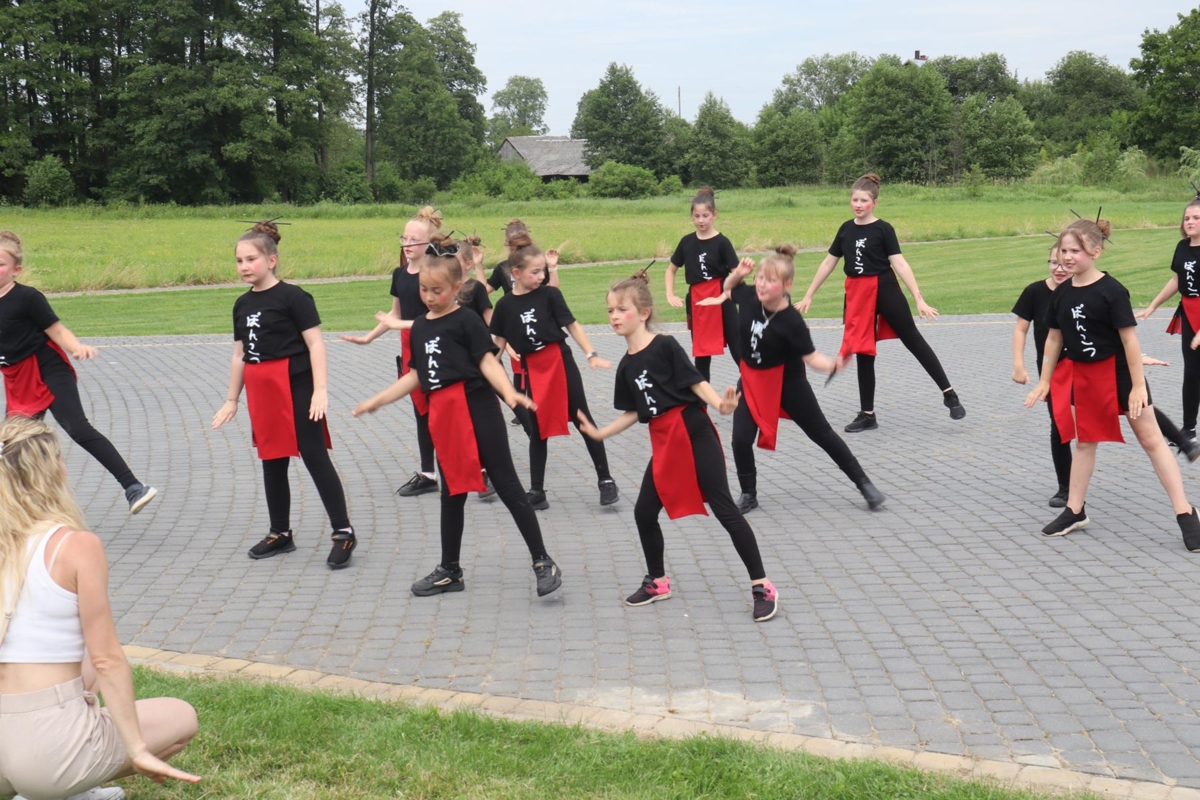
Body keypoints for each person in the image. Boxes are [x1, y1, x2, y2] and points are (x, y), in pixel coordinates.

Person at [0, 416, 199, 800]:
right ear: (48, 471)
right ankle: (61, 788)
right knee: (181, 716)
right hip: (47, 755)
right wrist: (137, 748)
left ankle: (52, 787)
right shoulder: (75, 546)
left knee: (82, 659)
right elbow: (108, 659)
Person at [353, 238, 563, 598]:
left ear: (456, 288)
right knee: (451, 493)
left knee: (507, 484)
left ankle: (543, 560)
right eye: (424, 289)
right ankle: (450, 570)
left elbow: (487, 362)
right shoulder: (420, 327)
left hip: (477, 408)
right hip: (445, 415)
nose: (429, 296)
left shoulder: (466, 321)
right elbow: (415, 375)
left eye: (437, 290)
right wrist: (378, 400)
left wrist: (509, 392)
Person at [577, 268, 778, 622]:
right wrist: (601, 433)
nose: (614, 317)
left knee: (724, 508)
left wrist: (720, 406)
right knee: (643, 512)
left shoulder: (665, 346)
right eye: (610, 311)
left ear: (643, 313)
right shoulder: (626, 366)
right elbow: (634, 411)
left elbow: (695, 382)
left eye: (622, 309)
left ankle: (762, 585)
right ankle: (657, 582)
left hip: (693, 431)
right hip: (664, 440)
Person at [1025, 217, 1200, 551]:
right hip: (1085, 377)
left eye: (1075, 251)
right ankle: (1074, 510)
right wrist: (1044, 381)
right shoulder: (1061, 293)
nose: (1067, 257)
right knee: (1085, 443)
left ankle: (1185, 512)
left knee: (1152, 440)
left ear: (1096, 252)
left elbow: (1130, 341)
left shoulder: (1112, 290)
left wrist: (1138, 387)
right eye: (1063, 250)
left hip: (1119, 374)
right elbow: (1054, 338)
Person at [211, 221, 357, 569]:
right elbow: (240, 354)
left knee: (314, 455)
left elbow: (315, 344)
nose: (244, 266)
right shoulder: (241, 304)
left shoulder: (294, 297)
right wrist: (231, 399)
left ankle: (343, 531)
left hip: (296, 385)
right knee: (272, 459)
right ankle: (280, 532)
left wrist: (320, 390)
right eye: (239, 260)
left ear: (271, 260)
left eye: (251, 259)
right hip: (262, 389)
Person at [713, 245, 885, 513]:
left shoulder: (792, 321)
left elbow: (811, 357)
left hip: (788, 382)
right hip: (752, 380)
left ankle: (864, 484)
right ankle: (748, 493)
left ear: (786, 285)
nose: (762, 284)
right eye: (760, 278)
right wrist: (738, 274)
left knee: (822, 434)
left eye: (770, 281)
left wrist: (833, 364)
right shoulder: (748, 296)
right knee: (740, 439)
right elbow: (727, 288)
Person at [0, 231, 157, 515]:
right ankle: (27, 511)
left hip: (47, 367)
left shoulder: (27, 297)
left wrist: (76, 347)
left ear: (16, 270)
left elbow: (57, 330)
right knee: (13, 445)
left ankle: (133, 487)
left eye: (1, 264)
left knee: (77, 427)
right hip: (16, 378)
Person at [796, 173, 965, 432]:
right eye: (855, 200)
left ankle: (949, 393)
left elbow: (900, 264)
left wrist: (918, 298)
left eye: (864, 200)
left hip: (884, 288)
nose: (858, 204)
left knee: (912, 338)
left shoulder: (884, 229)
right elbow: (829, 262)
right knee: (863, 350)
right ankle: (868, 415)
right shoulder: (845, 229)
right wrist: (809, 294)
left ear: (874, 202)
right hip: (857, 292)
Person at [489, 232, 619, 509]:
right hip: (532, 368)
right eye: (535, 272)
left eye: (543, 271)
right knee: (538, 429)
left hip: (560, 361)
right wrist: (484, 374)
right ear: (516, 273)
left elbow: (572, 325)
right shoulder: (505, 306)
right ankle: (537, 491)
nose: (541, 276)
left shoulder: (550, 295)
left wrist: (591, 354)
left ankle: (606, 479)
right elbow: (497, 346)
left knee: (581, 417)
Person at [340, 207, 444, 498]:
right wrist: (367, 339)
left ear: (428, 243)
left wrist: (400, 324)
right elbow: (394, 315)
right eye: (404, 238)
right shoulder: (399, 274)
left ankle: (480, 469)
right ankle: (428, 473)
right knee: (421, 412)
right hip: (409, 346)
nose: (407, 244)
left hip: (435, 346)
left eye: (414, 240)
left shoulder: (434, 274)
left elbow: (438, 317)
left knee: (447, 410)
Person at [477, 219, 562, 429]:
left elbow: (553, 290)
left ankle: (538, 406)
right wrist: (478, 265)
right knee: (518, 367)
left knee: (536, 365)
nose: (516, 249)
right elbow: (482, 292)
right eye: (512, 245)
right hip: (515, 322)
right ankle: (522, 406)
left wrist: (553, 268)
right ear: (506, 244)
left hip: (537, 322)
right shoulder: (503, 268)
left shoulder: (535, 265)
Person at [1135, 193, 1200, 444]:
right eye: (1187, 218)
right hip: (1190, 312)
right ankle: (1188, 429)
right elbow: (1177, 280)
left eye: (1196, 218)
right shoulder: (1182, 247)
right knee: (1192, 373)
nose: (1190, 222)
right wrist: (1153, 306)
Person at [665, 187, 741, 382]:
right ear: (691, 216)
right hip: (698, 300)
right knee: (701, 355)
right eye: (696, 216)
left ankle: (754, 389)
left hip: (722, 297)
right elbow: (671, 270)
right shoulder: (686, 242)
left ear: (714, 215)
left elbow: (737, 274)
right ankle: (702, 399)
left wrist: (724, 296)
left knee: (738, 348)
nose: (701, 220)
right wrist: (670, 294)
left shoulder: (722, 242)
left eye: (705, 216)